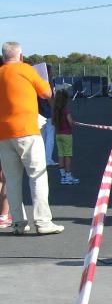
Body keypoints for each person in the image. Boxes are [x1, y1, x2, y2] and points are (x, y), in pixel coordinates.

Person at [0, 41, 64, 235]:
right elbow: (47, 93)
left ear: (3, 57)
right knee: (37, 176)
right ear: (21, 56)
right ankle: (43, 222)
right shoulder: (26, 69)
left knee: (12, 180)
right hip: (27, 131)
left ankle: (18, 223)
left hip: (4, 135)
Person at [51, 89, 80, 185]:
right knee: (68, 155)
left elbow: (53, 122)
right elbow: (70, 122)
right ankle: (68, 176)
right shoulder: (66, 110)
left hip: (58, 135)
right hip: (67, 135)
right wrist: (73, 123)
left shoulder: (55, 111)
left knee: (61, 154)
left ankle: (63, 176)